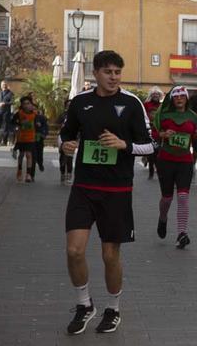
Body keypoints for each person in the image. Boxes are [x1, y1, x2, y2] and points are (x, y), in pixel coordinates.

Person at [59, 50, 155, 335]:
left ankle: (113, 308)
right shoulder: (80, 102)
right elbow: (66, 133)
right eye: (108, 72)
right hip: (84, 187)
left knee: (109, 255)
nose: (113, 77)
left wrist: (124, 145)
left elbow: (151, 146)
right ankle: (84, 304)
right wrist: (65, 145)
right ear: (95, 73)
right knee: (74, 250)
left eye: (117, 72)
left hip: (116, 190)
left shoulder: (131, 104)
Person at [152, 86, 197, 249]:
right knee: (167, 198)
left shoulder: (192, 116)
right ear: (172, 99)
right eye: (176, 96)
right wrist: (162, 134)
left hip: (185, 161)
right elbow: (153, 133)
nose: (179, 99)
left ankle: (182, 233)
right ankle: (163, 218)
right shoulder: (164, 115)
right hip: (166, 160)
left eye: (182, 96)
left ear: (186, 98)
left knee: (182, 197)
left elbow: (194, 136)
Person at [12, 96, 37, 183]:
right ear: (22, 105)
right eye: (24, 104)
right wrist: (18, 124)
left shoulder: (35, 114)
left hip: (31, 138)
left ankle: (28, 174)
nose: (26, 106)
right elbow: (12, 122)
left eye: (28, 103)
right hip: (21, 138)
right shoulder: (19, 113)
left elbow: (39, 123)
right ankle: (19, 170)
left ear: (31, 104)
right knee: (21, 155)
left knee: (29, 155)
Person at [142, 87, 163, 180]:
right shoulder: (146, 104)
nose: (156, 96)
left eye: (157, 94)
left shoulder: (162, 106)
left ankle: (158, 170)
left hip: (158, 130)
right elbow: (142, 115)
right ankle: (151, 172)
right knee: (151, 151)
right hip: (148, 130)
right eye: (154, 94)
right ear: (151, 95)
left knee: (158, 151)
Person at [0, 81, 13, 146]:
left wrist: (5, 103)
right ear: (1, 86)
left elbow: (12, 101)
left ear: (7, 85)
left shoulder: (10, 93)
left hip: (6, 113)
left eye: (5, 84)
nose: (4, 86)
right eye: (3, 85)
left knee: (5, 128)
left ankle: (4, 142)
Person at [58, 99, 74, 185]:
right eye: (68, 104)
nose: (69, 106)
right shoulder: (62, 115)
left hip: (71, 137)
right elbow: (58, 123)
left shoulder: (76, 115)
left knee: (70, 157)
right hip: (62, 137)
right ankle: (62, 173)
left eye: (71, 104)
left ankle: (69, 174)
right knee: (62, 156)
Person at [34, 107, 48, 173]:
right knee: (32, 154)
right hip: (30, 137)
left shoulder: (42, 117)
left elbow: (46, 127)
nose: (34, 110)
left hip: (39, 136)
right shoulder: (28, 117)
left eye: (35, 109)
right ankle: (31, 174)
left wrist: (44, 134)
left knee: (39, 152)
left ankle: (40, 163)